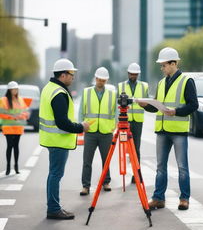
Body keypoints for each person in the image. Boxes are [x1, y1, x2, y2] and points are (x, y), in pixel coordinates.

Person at [139, 47, 198, 210]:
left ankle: (184, 198)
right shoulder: (161, 82)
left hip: (178, 131)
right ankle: (158, 198)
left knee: (182, 167)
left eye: (164, 65)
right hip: (163, 131)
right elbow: (158, 106)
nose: (162, 68)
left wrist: (176, 111)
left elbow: (194, 104)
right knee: (160, 167)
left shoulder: (187, 81)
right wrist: (146, 105)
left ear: (174, 63)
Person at [39, 58, 90, 220]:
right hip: (58, 141)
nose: (73, 77)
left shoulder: (49, 88)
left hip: (52, 140)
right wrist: (81, 127)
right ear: (63, 75)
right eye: (71, 74)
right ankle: (53, 209)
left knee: (53, 174)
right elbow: (62, 122)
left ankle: (53, 207)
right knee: (55, 174)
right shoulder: (59, 93)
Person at [79, 67, 117, 196]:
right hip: (90, 131)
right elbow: (81, 111)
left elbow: (116, 112)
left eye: (103, 80)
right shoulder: (86, 92)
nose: (101, 82)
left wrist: (115, 125)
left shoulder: (112, 94)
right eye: (99, 79)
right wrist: (81, 125)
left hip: (106, 132)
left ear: (106, 80)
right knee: (87, 160)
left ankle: (106, 182)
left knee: (106, 160)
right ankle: (85, 186)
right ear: (95, 79)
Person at [118, 63, 148, 183]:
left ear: (138, 74)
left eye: (135, 74)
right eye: (131, 74)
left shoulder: (144, 86)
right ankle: (126, 171)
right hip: (125, 120)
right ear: (128, 73)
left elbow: (147, 102)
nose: (133, 76)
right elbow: (117, 102)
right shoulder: (121, 86)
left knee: (136, 148)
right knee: (125, 148)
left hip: (137, 121)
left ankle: (137, 174)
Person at [0, 81, 29, 175]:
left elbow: (25, 112)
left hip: (18, 127)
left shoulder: (20, 100)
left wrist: (21, 116)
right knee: (9, 146)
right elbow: (1, 113)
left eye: (16, 89)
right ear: (9, 90)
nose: (15, 91)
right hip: (8, 127)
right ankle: (8, 167)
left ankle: (16, 166)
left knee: (16, 146)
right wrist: (13, 117)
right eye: (13, 89)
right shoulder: (3, 100)